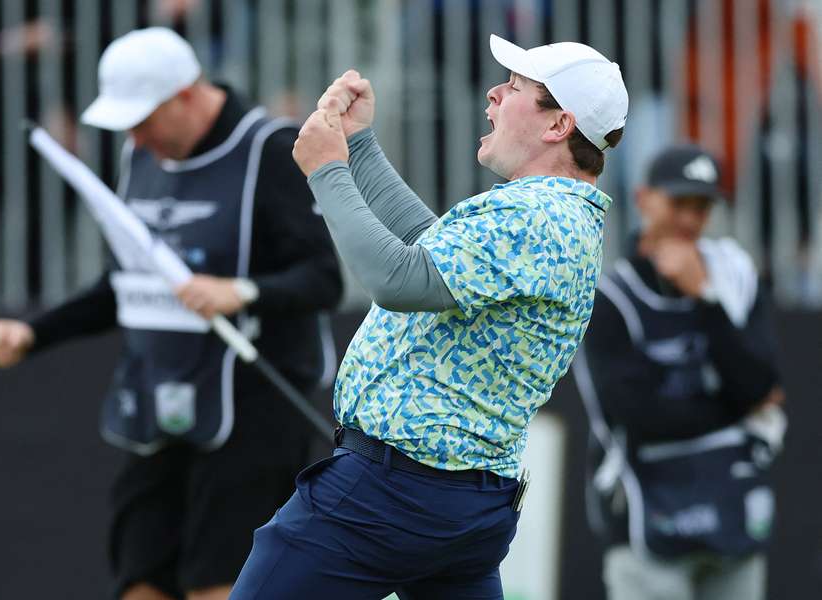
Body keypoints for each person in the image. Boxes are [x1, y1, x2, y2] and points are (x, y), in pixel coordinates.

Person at [229, 35, 628, 599]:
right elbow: (428, 247)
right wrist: (360, 145)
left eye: (514, 88)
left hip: (389, 496)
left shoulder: (538, 214)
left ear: (558, 125)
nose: (493, 93)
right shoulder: (552, 211)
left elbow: (398, 279)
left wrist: (327, 170)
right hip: (460, 502)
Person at [0, 27, 342, 600]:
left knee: (222, 583)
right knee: (141, 579)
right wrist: (34, 332)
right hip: (161, 399)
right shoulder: (139, 155)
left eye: (143, 119)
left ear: (186, 94)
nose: (135, 136)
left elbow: (322, 278)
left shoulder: (268, 149)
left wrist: (240, 292)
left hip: (253, 405)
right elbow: (128, 282)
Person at [571, 144, 786, 600]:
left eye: (702, 206)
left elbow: (759, 381)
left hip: (733, 508)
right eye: (679, 203)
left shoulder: (734, 272)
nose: (690, 219)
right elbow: (638, 417)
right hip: (648, 521)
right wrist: (738, 409)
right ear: (644, 198)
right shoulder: (611, 297)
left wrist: (704, 297)